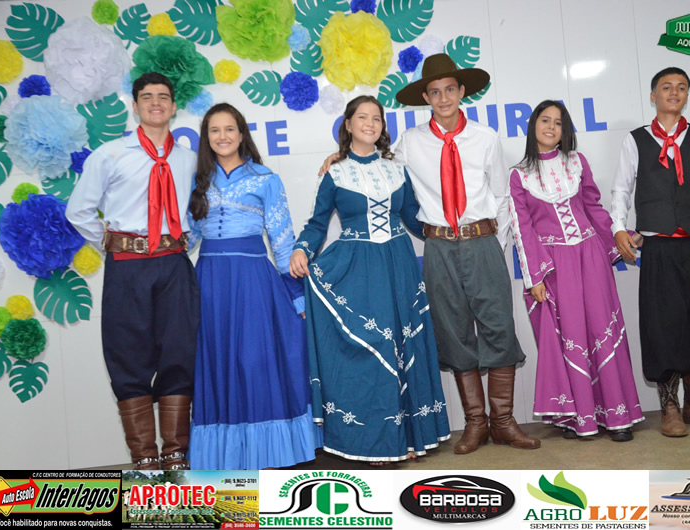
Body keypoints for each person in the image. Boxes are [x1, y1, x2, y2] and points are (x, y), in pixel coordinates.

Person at [290, 95, 451, 464]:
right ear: (348, 125)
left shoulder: (398, 171)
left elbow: (414, 219)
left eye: (376, 118)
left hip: (398, 265)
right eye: (361, 117)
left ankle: (409, 438)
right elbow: (318, 224)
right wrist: (302, 249)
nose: (369, 123)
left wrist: (446, 235)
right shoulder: (334, 173)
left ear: (382, 127)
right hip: (358, 269)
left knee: (404, 347)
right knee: (374, 350)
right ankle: (377, 442)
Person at [393, 54, 540, 452]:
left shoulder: (486, 137)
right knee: (454, 332)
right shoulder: (410, 142)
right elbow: (381, 172)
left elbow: (501, 195)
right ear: (426, 97)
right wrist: (339, 157)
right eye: (434, 92)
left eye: (449, 90)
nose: (443, 98)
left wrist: (495, 243)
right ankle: (476, 423)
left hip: (483, 242)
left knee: (498, 327)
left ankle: (504, 421)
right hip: (439, 248)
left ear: (462, 92)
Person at [66, 72, 199, 470]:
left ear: (174, 106)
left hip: (174, 265)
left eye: (163, 96)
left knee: (180, 352)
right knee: (128, 356)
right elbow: (79, 211)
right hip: (127, 267)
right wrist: (114, 244)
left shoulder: (189, 158)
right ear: (136, 105)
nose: (156, 102)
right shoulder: (109, 154)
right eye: (147, 96)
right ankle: (144, 459)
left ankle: (175, 455)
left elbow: (200, 209)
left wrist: (186, 238)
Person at [187, 103, 320, 469]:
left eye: (230, 129)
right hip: (210, 283)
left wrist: (296, 297)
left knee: (254, 361)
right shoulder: (197, 181)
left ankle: (268, 453)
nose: (223, 136)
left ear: (242, 133)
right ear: (206, 137)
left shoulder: (265, 178)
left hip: (253, 283)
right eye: (215, 130)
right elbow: (187, 237)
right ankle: (226, 456)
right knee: (216, 363)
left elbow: (282, 240)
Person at [509, 100, 645, 442]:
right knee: (570, 338)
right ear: (533, 125)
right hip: (555, 267)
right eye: (545, 120)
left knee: (602, 330)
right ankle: (578, 418)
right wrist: (535, 277)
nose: (551, 127)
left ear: (564, 131)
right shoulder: (519, 175)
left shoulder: (577, 162)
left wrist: (620, 236)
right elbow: (523, 230)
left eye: (558, 122)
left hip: (590, 258)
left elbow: (593, 208)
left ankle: (618, 416)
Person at [611, 67, 690, 437]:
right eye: (666, 87)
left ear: (687, 96)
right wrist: (619, 227)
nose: (674, 92)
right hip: (660, 247)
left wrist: (688, 213)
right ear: (654, 96)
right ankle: (670, 407)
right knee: (663, 324)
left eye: (681, 87)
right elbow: (621, 190)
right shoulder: (636, 140)